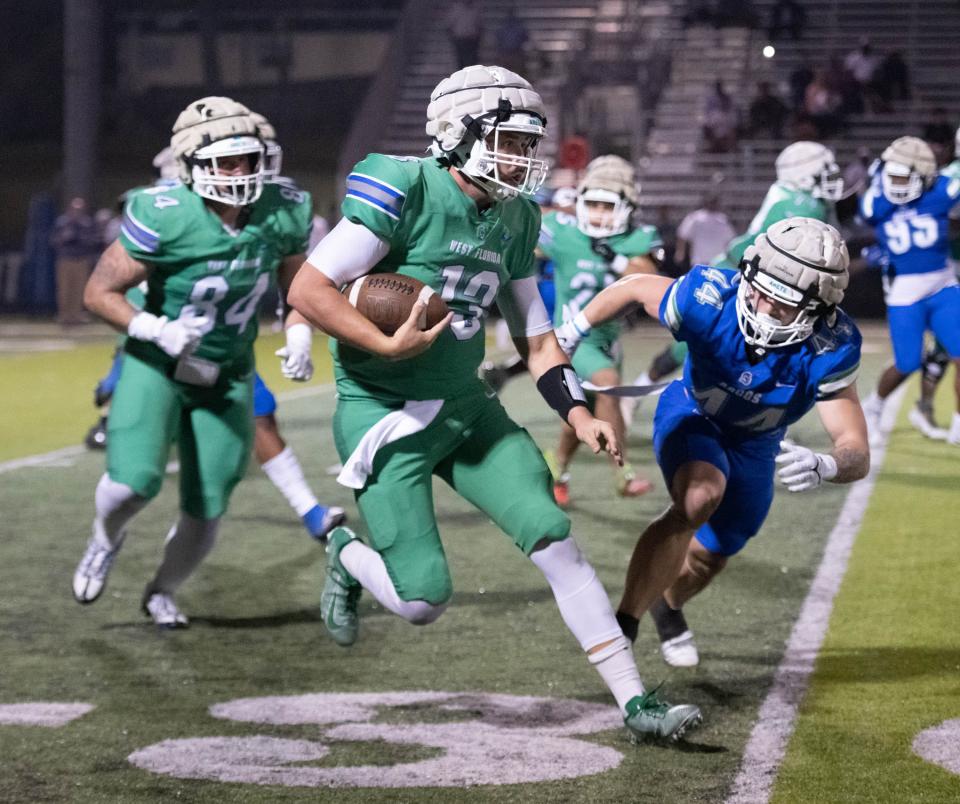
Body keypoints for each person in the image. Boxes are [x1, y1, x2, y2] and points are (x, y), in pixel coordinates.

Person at [289, 65, 701, 741]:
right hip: (384, 412)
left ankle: (635, 703)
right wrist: (383, 345)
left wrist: (578, 413)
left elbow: (538, 342)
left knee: (555, 537)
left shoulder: (516, 215)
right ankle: (343, 551)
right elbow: (309, 288)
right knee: (422, 601)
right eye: (508, 140)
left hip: (465, 405)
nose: (522, 158)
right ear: (458, 132)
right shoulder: (404, 186)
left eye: (526, 144)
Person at [556, 217, 869, 667]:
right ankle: (623, 623)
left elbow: (855, 446)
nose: (760, 308)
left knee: (711, 555)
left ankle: (669, 607)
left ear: (818, 310)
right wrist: (575, 329)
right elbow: (635, 287)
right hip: (693, 410)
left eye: (781, 305)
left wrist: (830, 465)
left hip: (758, 445)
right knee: (700, 497)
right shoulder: (710, 296)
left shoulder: (832, 346)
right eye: (758, 290)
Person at [71, 96, 321, 628]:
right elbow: (98, 292)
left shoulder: (284, 209)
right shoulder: (163, 212)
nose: (240, 172)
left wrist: (298, 332)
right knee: (134, 482)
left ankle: (162, 590)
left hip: (226, 369)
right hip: (156, 362)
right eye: (224, 162)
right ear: (191, 167)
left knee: (208, 506)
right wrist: (154, 327)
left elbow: (300, 288)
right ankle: (104, 538)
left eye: (248, 159)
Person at [622, 142, 844, 426]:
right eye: (822, 171)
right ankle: (637, 394)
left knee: (764, 345)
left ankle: (747, 412)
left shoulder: (809, 201)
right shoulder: (800, 205)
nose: (830, 177)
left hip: (750, 270)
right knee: (696, 341)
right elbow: (770, 253)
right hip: (743, 272)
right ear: (802, 175)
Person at [542, 155, 658, 506]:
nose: (597, 214)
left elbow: (649, 276)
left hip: (609, 340)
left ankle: (556, 468)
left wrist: (614, 257)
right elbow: (522, 222)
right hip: (573, 340)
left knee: (585, 412)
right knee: (607, 385)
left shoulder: (635, 238)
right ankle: (623, 472)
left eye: (606, 206)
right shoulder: (563, 231)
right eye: (590, 203)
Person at [859, 136, 960, 446]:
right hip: (905, 291)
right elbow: (864, 211)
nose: (897, 184)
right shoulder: (879, 200)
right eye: (892, 177)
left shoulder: (940, 191)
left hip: (943, 284)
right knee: (907, 362)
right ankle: (873, 407)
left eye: (903, 177)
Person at [51, 197, 100, 325]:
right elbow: (54, 240)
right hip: (65, 258)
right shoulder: (62, 222)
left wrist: (82, 239)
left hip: (81, 259)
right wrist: (65, 237)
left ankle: (76, 315)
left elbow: (94, 240)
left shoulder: (87, 223)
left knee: (79, 289)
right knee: (64, 288)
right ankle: (64, 315)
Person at [674, 194, 736, 271]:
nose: (711, 204)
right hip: (699, 260)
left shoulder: (723, 219)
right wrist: (680, 252)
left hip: (718, 262)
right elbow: (683, 234)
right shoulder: (695, 218)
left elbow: (730, 240)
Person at [703, 81, 739, 154]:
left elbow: (734, 127)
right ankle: (714, 151)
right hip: (716, 137)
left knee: (732, 134)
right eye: (721, 101)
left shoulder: (731, 115)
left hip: (726, 137)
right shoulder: (715, 114)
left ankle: (731, 152)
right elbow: (708, 126)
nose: (723, 103)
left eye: (725, 101)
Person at [446, 1, 482, 69]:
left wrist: (478, 37)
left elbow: (479, 23)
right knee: (461, 60)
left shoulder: (476, 8)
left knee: (472, 61)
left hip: (472, 39)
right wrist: (453, 38)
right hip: (460, 39)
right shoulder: (456, 8)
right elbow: (450, 24)